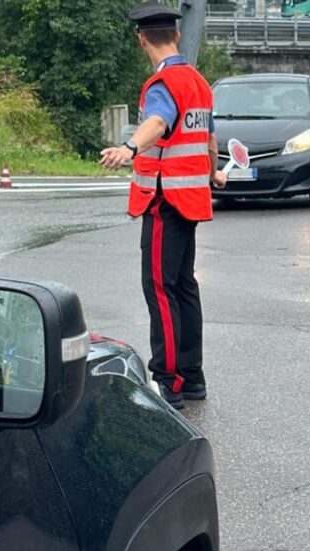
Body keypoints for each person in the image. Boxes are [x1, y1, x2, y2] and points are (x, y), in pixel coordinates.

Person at [100, 2, 226, 409]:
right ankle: (193, 377)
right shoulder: (199, 82)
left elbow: (158, 122)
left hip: (163, 198)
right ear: (173, 35)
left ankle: (168, 381)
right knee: (184, 287)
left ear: (142, 40)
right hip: (188, 200)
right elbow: (208, 136)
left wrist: (129, 146)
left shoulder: (162, 85)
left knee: (160, 289)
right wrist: (214, 172)